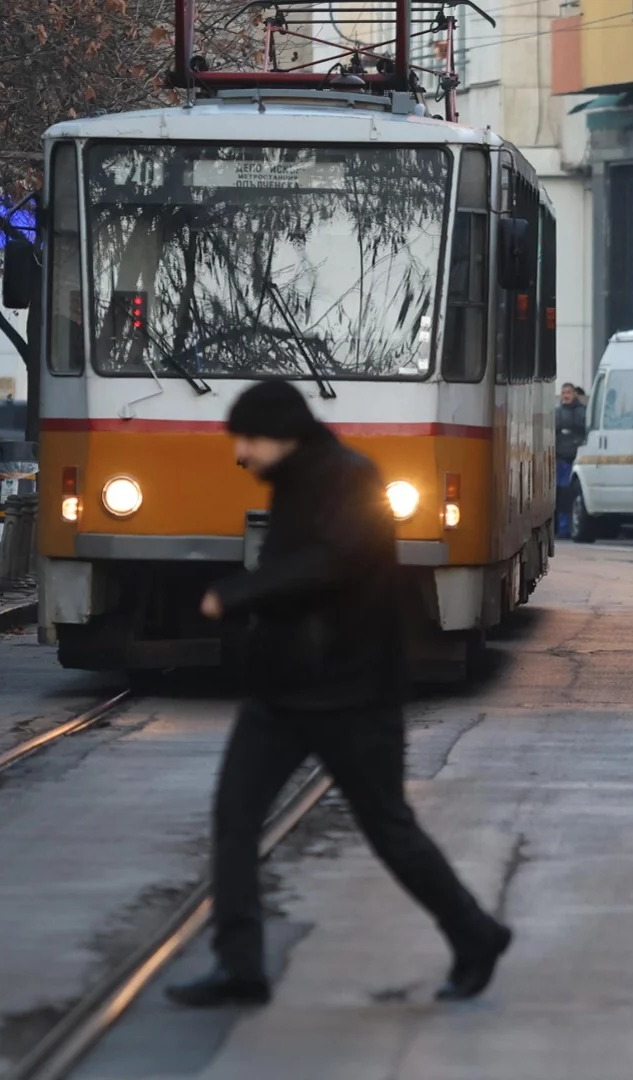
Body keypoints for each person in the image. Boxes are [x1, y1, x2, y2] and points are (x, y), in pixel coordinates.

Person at [166, 380, 512, 1008]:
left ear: (282, 435)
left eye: (247, 439)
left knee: (389, 830)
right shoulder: (294, 484)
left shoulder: (351, 478)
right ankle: (240, 966)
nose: (240, 454)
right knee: (234, 820)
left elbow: (331, 563)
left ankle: (475, 934)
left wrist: (240, 594)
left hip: (353, 695)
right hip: (281, 696)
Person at [554, 382, 588, 537]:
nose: (566, 395)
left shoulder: (583, 412)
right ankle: (562, 528)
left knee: (573, 493)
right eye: (563, 392)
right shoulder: (557, 413)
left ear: (574, 394)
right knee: (561, 494)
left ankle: (570, 526)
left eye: (568, 392)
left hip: (577, 458)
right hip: (561, 459)